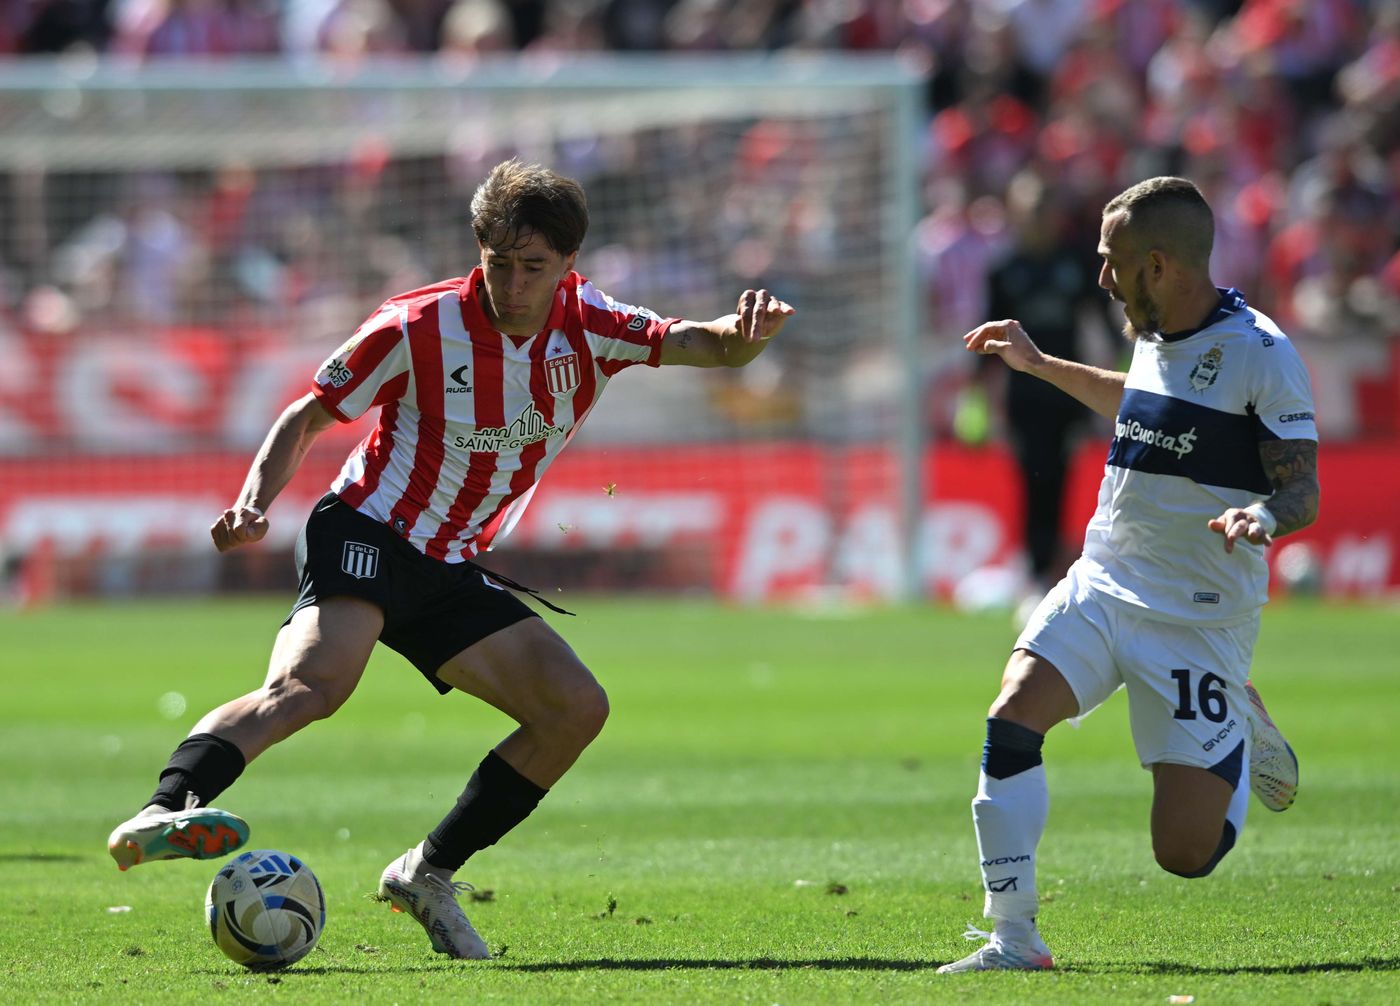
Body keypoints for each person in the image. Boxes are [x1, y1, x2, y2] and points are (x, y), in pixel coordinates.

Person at [106, 159, 795, 960]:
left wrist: (742, 341)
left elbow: (698, 345)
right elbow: (305, 415)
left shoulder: (591, 325)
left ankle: (426, 873)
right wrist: (255, 500)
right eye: (497, 263)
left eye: (532, 267)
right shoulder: (416, 325)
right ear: (480, 252)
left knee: (575, 708)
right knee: (311, 687)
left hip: (448, 564)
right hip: (364, 528)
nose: (511, 283)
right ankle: (165, 807)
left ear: (568, 267)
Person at [938, 176, 1318, 974]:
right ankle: (1014, 938)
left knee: (1185, 853)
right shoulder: (1149, 329)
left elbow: (1303, 485)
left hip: (1197, 616)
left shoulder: (1262, 352)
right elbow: (1139, 403)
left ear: (1157, 265)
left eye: (1111, 262)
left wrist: (1266, 517)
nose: (1100, 276)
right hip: (1104, 579)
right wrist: (1037, 364)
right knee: (1011, 717)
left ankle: (1238, 735)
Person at [980, 170, 1116, 606]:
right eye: (1030, 210)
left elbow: (1105, 324)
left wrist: (1118, 377)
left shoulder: (1074, 264)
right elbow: (987, 339)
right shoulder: (1005, 271)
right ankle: (1035, 573)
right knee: (1030, 481)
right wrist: (982, 400)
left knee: (1060, 480)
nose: (1037, 218)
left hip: (1067, 397)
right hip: (1024, 401)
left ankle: (1053, 570)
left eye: (1043, 209)